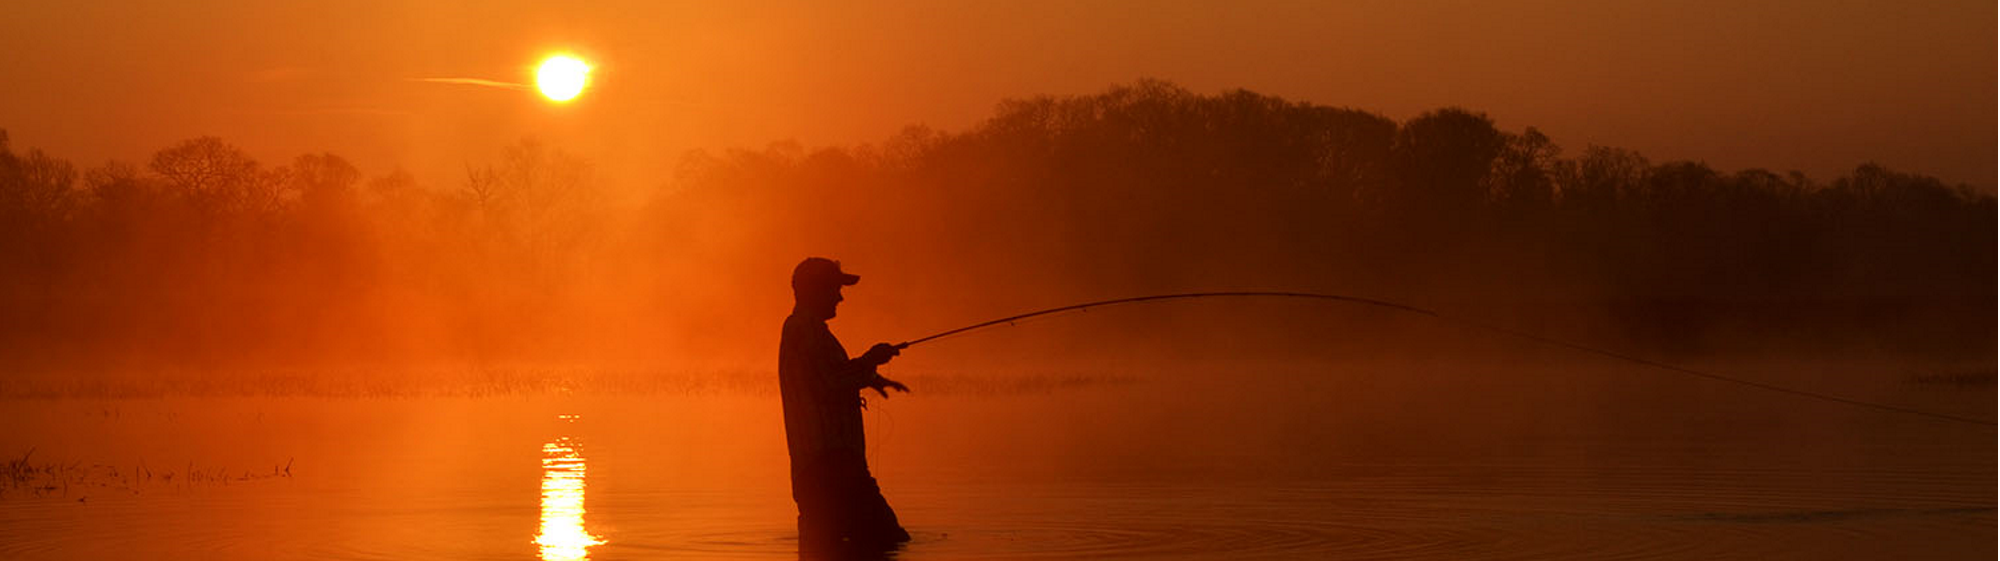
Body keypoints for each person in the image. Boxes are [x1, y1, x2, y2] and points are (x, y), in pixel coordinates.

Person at [779, 257, 912, 555]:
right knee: (888, 540)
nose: (840, 297)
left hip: (825, 469)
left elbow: (826, 377)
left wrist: (872, 378)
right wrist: (870, 360)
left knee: (825, 548)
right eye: (835, 289)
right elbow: (829, 383)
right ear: (816, 290)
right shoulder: (804, 329)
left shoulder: (808, 329)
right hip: (830, 469)